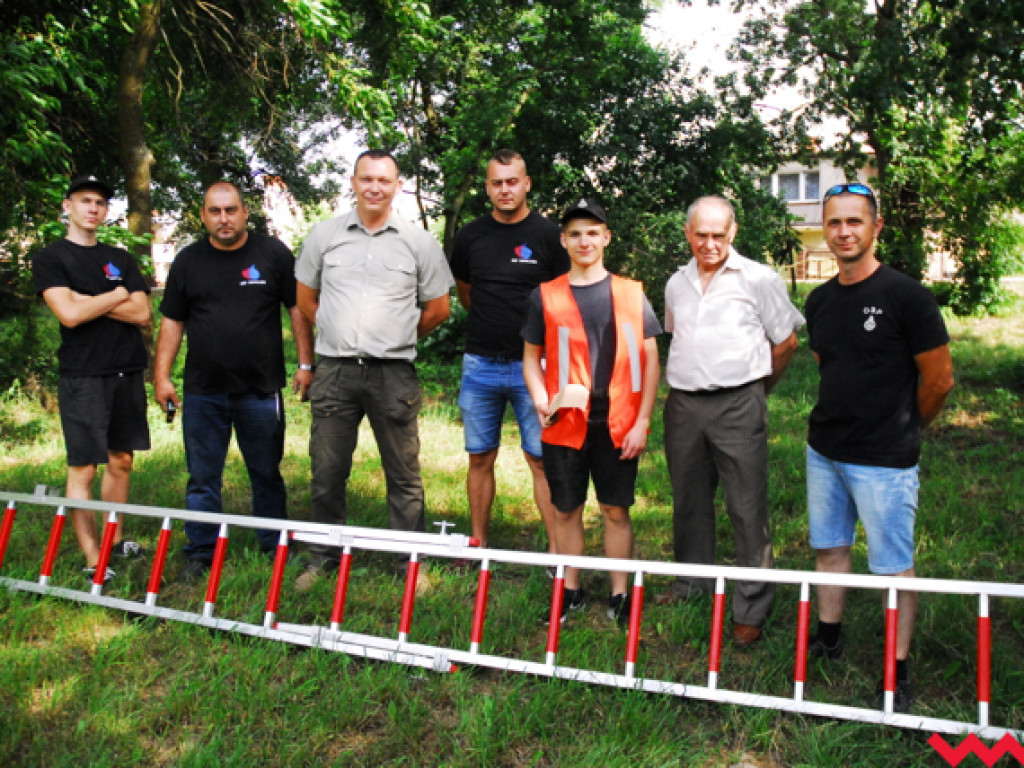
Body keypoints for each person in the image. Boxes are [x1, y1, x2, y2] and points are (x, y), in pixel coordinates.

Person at [804, 183, 954, 713]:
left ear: (876, 228)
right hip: (824, 448)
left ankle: (897, 669)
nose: (843, 232)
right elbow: (828, 363)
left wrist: (908, 426)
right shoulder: (819, 299)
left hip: (885, 458)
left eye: (854, 222)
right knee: (829, 547)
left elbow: (937, 381)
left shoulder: (907, 297)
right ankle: (829, 635)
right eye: (834, 223)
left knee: (892, 565)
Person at [294, 149, 454, 590]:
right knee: (327, 471)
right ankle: (323, 557)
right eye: (367, 179)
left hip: (393, 374)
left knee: (403, 473)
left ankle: (409, 562)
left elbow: (438, 308)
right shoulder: (325, 235)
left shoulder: (418, 241)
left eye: (384, 180)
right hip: (336, 372)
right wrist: (332, 330)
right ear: (354, 181)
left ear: (397, 185)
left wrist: (398, 335)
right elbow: (306, 300)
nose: (375, 187)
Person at [660, 195, 804, 648]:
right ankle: (692, 585)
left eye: (718, 235)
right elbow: (676, 338)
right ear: (687, 233)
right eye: (700, 234)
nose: (709, 244)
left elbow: (786, 343)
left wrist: (758, 393)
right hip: (683, 405)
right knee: (688, 502)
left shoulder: (759, 279)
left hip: (739, 403)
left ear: (733, 233)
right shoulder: (675, 283)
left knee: (747, 508)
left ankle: (751, 607)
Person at [154, 181, 314, 583]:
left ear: (245, 212)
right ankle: (201, 553)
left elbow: (297, 309)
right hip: (203, 391)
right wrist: (162, 376)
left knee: (266, 473)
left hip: (260, 391)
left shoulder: (272, 253)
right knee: (203, 477)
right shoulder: (188, 261)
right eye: (214, 211)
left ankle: (274, 545)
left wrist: (306, 363)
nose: (223, 219)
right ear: (203, 215)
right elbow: (172, 321)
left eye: (231, 210)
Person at [522, 198, 661, 626]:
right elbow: (531, 357)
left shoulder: (630, 292)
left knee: (616, 510)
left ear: (606, 238)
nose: (585, 241)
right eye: (576, 234)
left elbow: (652, 359)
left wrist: (642, 421)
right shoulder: (545, 295)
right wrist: (540, 399)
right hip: (565, 423)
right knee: (566, 509)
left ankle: (620, 593)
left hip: (619, 423)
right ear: (564, 241)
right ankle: (571, 589)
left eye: (592, 232)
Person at [32, 175, 151, 583]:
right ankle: (91, 554)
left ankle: (115, 541)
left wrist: (93, 299)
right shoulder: (51, 258)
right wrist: (117, 294)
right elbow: (69, 315)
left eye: (100, 202)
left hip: (127, 371)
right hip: (84, 375)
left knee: (121, 460)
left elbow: (142, 314)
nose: (93, 208)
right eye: (85, 201)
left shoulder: (120, 257)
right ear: (68, 206)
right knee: (83, 468)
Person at [451, 149, 569, 555]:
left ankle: (557, 549)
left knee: (541, 460)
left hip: (534, 368)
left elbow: (562, 300)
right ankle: (478, 543)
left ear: (527, 184)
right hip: (480, 363)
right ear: (487, 187)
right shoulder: (469, 237)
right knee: (480, 457)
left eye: (512, 181)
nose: (505, 189)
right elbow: (467, 293)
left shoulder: (549, 237)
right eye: (497, 182)